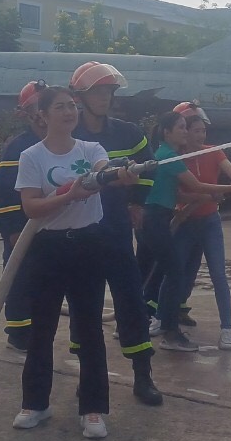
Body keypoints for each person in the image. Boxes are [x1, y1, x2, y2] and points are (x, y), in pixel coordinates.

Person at [13, 86, 133, 440]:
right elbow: (31, 207)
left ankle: (93, 409)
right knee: (42, 329)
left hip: (88, 245)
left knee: (90, 328)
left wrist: (120, 173)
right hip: (48, 248)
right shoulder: (32, 156)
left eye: (72, 106)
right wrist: (69, 194)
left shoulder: (90, 150)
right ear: (43, 115)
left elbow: (105, 170)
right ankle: (35, 404)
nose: (69, 112)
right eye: (60, 107)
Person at [70, 62, 163, 405]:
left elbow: (150, 170)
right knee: (85, 306)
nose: (105, 98)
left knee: (131, 301)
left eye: (109, 91)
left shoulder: (129, 133)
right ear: (81, 97)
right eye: (98, 91)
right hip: (80, 233)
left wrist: (137, 203)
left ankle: (143, 376)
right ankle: (88, 376)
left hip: (117, 231)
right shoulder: (69, 134)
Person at [144, 110, 231, 352]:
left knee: (177, 273)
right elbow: (192, 188)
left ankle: (173, 326)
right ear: (167, 132)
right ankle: (163, 328)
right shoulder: (172, 156)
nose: (193, 133)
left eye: (199, 130)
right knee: (169, 274)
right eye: (185, 128)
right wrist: (229, 190)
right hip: (161, 220)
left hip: (176, 220)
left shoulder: (198, 152)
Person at [0, 81, 47, 351]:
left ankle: (38, 327)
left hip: (48, 227)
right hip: (22, 227)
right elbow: (4, 192)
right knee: (19, 278)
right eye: (37, 106)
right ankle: (19, 331)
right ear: (26, 113)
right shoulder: (18, 147)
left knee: (42, 280)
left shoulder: (57, 143)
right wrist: (14, 229)